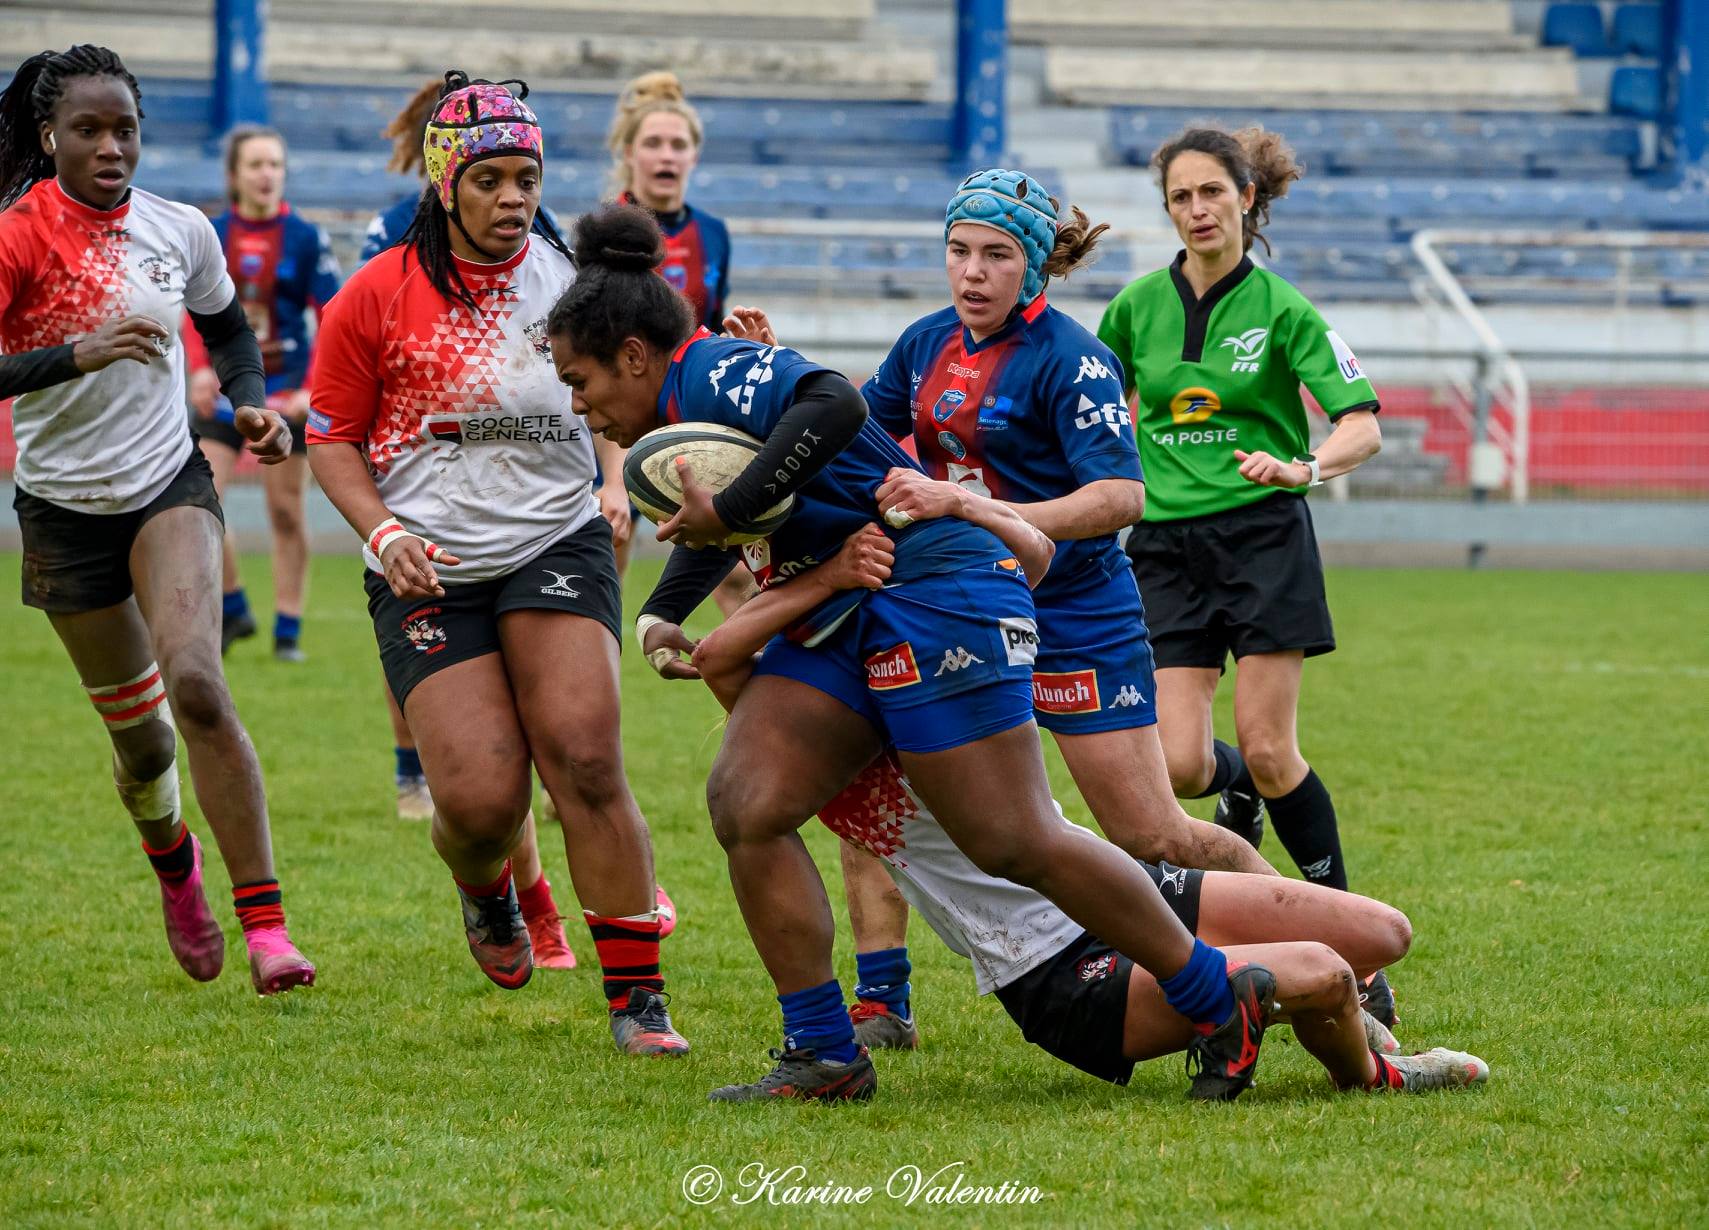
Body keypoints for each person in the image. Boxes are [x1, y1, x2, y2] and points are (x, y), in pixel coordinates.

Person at [550, 202, 1275, 1105]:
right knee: (748, 802)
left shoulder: (715, 367)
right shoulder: (687, 398)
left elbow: (833, 404)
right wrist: (663, 611)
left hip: (941, 583)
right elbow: (745, 498)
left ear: (632, 355)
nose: (579, 406)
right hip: (859, 598)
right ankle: (823, 1050)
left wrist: (731, 513)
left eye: (579, 382)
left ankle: (1215, 997)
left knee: (1012, 838)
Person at [689, 524, 1488, 1097]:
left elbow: (1024, 557)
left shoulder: (916, 670)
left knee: (1384, 931)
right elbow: (721, 656)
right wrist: (823, 579)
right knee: (1323, 972)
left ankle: (1304, 1008)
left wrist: (945, 508)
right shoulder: (819, 753)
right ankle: (1378, 1071)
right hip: (1053, 969)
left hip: (1113, 886)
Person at [842, 168, 1281, 1051]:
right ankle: (881, 996)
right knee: (871, 778)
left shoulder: (1072, 357)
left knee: (1152, 832)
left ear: (1034, 266)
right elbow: (859, 443)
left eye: (996, 256)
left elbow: (1120, 495)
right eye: (958, 252)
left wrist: (984, 513)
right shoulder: (923, 345)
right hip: (959, 608)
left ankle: (1307, 936)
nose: (971, 273)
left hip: (1076, 613)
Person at [306, 73, 685, 1053]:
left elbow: (633, 391)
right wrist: (381, 534)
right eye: (491, 180)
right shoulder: (372, 296)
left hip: (553, 543)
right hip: (426, 562)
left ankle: (636, 996)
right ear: (445, 185)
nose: (513, 197)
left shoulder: (568, 286)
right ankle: (487, 889)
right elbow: (333, 438)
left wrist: (616, 479)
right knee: (477, 804)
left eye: (526, 177)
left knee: (587, 757)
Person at [0, 45, 314, 994]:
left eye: (125, 129)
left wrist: (253, 400)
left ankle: (268, 929)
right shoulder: (16, 236)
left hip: (166, 487)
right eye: (88, 130)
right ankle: (176, 868)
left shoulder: (180, 230)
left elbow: (225, 328)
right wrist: (76, 354)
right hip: (61, 510)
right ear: (50, 134)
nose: (110, 146)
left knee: (201, 687)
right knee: (142, 746)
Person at [1095, 127, 1393, 1022]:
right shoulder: (1135, 306)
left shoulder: (1283, 308)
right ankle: (1233, 791)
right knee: (1182, 767)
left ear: (1246, 200)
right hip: (1162, 551)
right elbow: (1098, 412)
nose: (1196, 210)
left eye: (1212, 194)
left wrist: (1302, 468)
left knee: (1270, 750)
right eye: (1180, 197)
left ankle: (1346, 940)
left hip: (1263, 540)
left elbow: (1360, 423)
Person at [184, 124, 340, 662]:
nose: (267, 173)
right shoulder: (209, 232)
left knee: (286, 514)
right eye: (255, 164)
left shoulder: (304, 236)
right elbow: (193, 312)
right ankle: (233, 606)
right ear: (234, 175)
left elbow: (334, 317)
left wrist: (312, 389)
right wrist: (201, 371)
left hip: (285, 398)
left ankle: (288, 633)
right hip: (226, 392)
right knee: (201, 504)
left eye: (274, 163)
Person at [604, 70, 736, 593]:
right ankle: (592, 668)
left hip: (694, 412)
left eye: (678, 144)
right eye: (653, 143)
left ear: (694, 157)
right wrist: (611, 478)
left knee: (736, 570)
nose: (667, 155)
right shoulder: (607, 230)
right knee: (605, 554)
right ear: (629, 152)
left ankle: (764, 674)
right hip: (619, 418)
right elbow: (598, 353)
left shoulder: (713, 233)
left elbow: (716, 331)